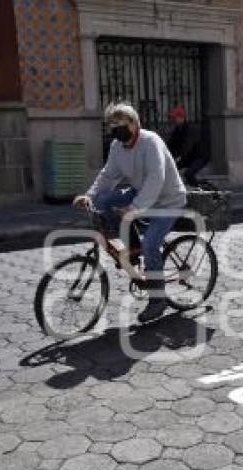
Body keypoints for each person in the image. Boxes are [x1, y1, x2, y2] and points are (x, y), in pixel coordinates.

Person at [73, 101, 186, 323]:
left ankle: (158, 299)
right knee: (105, 200)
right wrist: (90, 195)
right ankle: (131, 249)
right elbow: (108, 175)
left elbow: (156, 179)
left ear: (134, 124)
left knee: (150, 244)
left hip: (167, 201)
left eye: (120, 125)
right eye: (112, 127)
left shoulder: (150, 142)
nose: (116, 131)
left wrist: (134, 209)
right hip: (139, 194)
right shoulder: (117, 146)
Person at [165, 105, 210, 186]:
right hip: (189, 157)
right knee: (170, 169)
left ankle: (199, 190)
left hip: (199, 157)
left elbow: (188, 146)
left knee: (188, 174)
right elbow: (170, 145)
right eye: (172, 118)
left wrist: (179, 158)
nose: (172, 120)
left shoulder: (190, 129)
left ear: (181, 118)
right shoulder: (177, 130)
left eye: (174, 118)